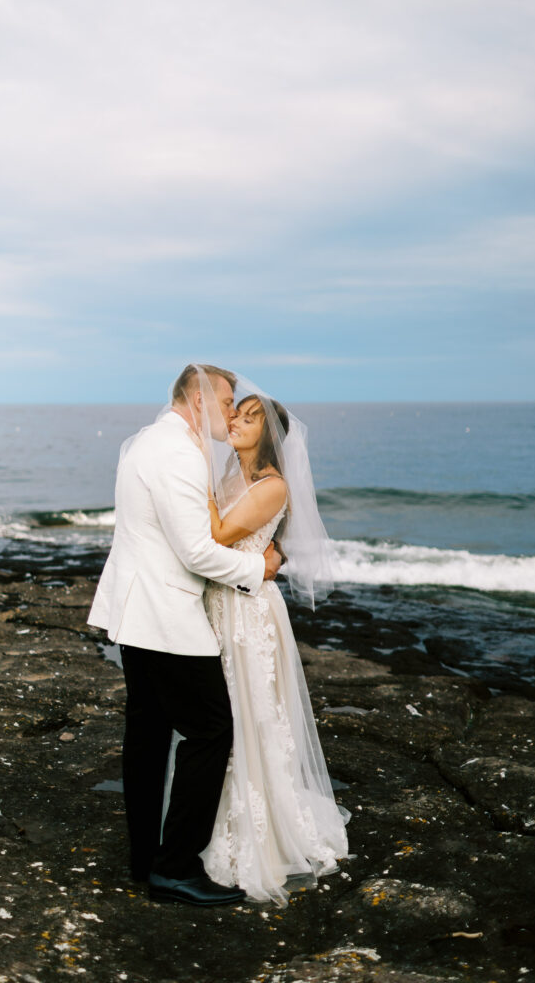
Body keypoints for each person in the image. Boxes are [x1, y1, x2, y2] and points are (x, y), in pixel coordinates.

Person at [87, 364, 281, 907]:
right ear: (197, 398)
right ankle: (176, 868)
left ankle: (145, 857)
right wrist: (257, 571)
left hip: (137, 611)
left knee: (148, 736)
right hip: (164, 615)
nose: (231, 412)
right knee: (212, 730)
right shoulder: (175, 452)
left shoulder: (151, 441)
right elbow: (194, 549)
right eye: (225, 401)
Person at [199, 388, 350, 906]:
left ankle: (262, 834)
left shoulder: (270, 485)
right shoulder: (229, 474)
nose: (236, 422)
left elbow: (215, 534)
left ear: (269, 435)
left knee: (252, 717)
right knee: (223, 717)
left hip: (249, 614)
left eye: (249, 418)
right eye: (235, 414)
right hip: (222, 605)